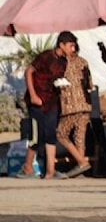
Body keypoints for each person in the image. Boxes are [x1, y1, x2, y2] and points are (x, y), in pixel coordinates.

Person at [17, 31, 75, 180]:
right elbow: (29, 72)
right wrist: (33, 94)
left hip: (52, 102)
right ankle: (27, 167)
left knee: (50, 135)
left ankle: (50, 171)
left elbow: (56, 79)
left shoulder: (64, 62)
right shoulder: (46, 56)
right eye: (71, 46)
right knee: (38, 136)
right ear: (61, 45)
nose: (73, 49)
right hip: (37, 102)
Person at [57, 40, 93, 177]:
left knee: (61, 134)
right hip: (85, 104)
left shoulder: (62, 63)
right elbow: (89, 84)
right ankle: (80, 167)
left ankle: (81, 162)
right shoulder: (83, 62)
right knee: (79, 136)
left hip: (70, 105)